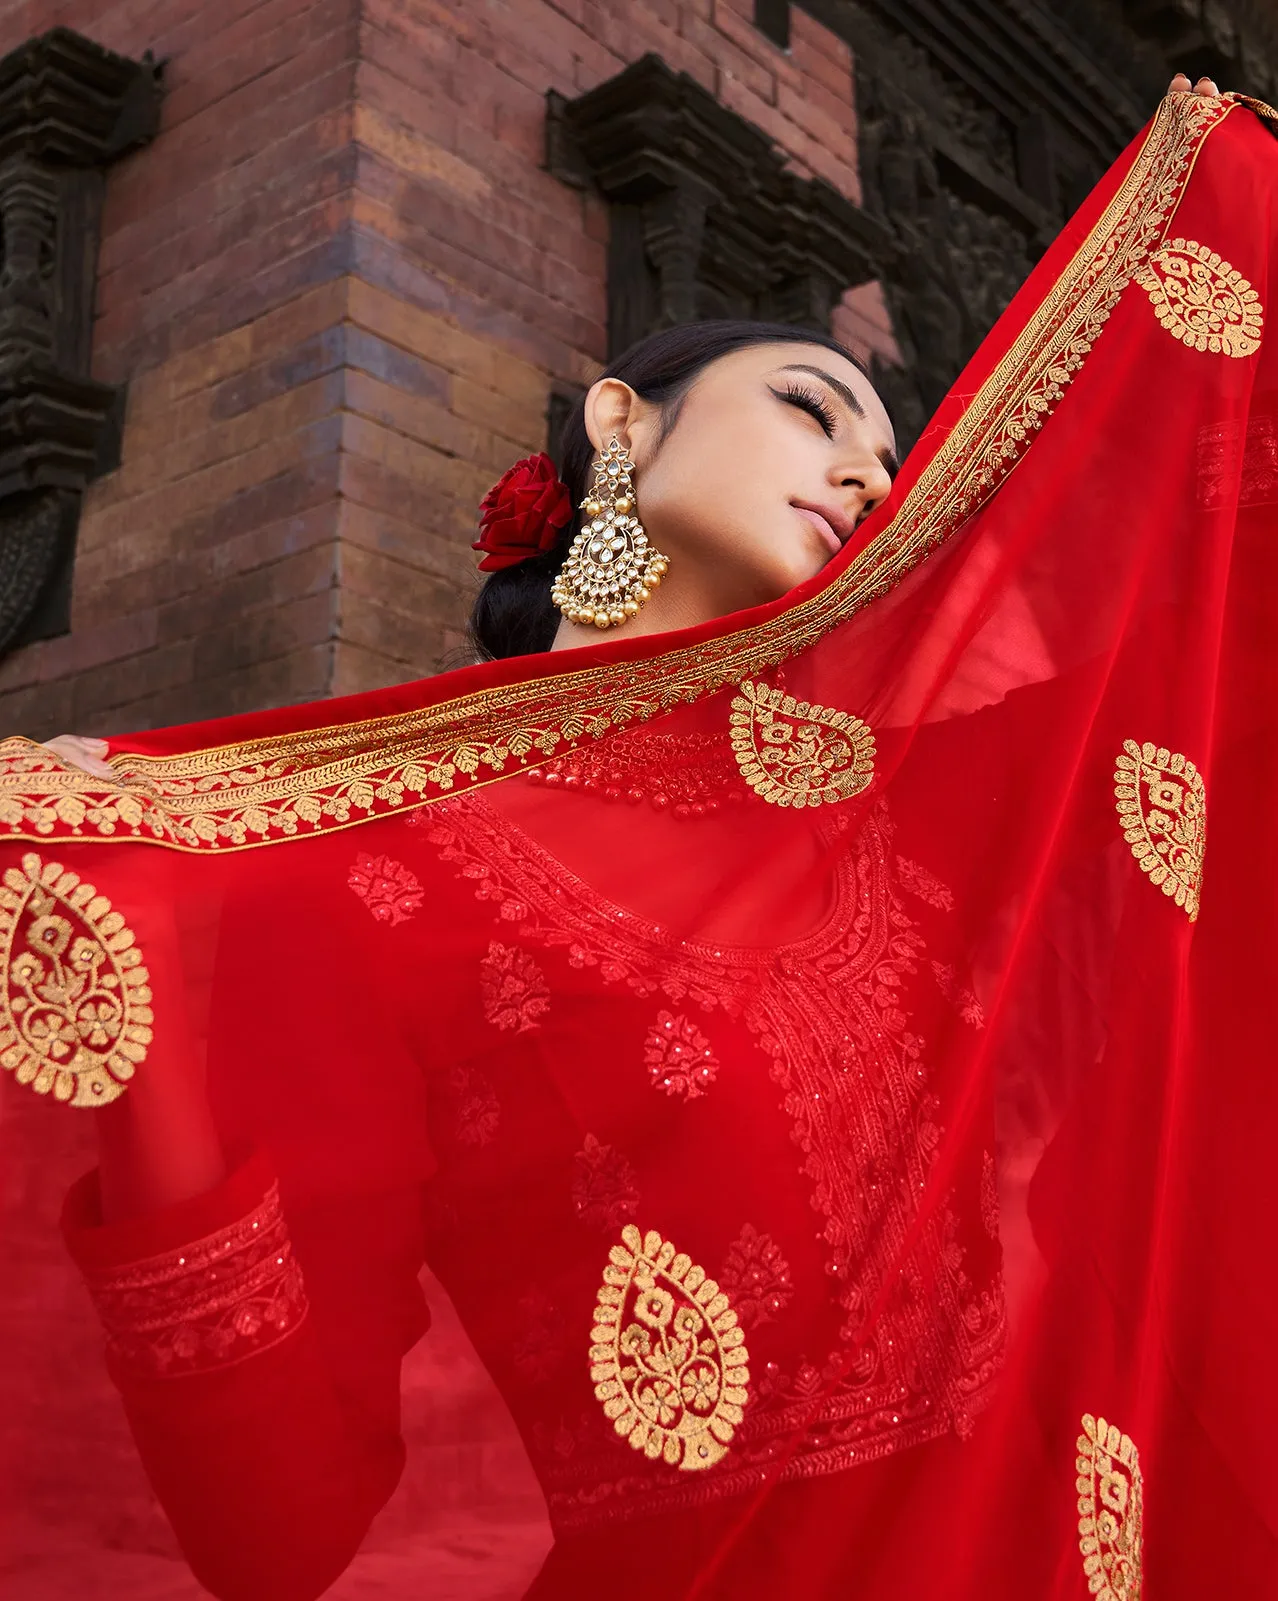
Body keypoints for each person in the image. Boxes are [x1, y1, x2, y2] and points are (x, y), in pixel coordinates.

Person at [3, 74, 1275, 1600]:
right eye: (813, 408)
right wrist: (125, 986)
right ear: (621, 420)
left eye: (892, 462)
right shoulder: (366, 868)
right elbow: (276, 1538)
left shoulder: (929, 804)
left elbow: (1208, 636)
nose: (871, 477)